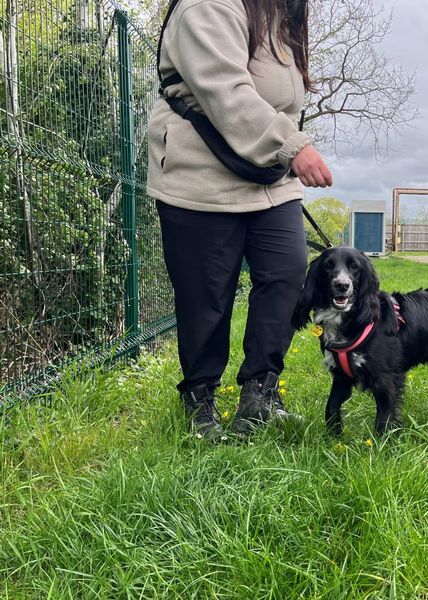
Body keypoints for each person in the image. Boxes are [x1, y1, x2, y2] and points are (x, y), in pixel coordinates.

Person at [146, 0, 332, 441]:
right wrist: (293, 146)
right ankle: (199, 398)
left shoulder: (277, 19)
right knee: (206, 295)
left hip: (268, 177)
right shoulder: (206, 6)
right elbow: (226, 91)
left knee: (287, 275)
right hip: (201, 177)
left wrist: (283, 148)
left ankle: (260, 392)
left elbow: (283, 100)